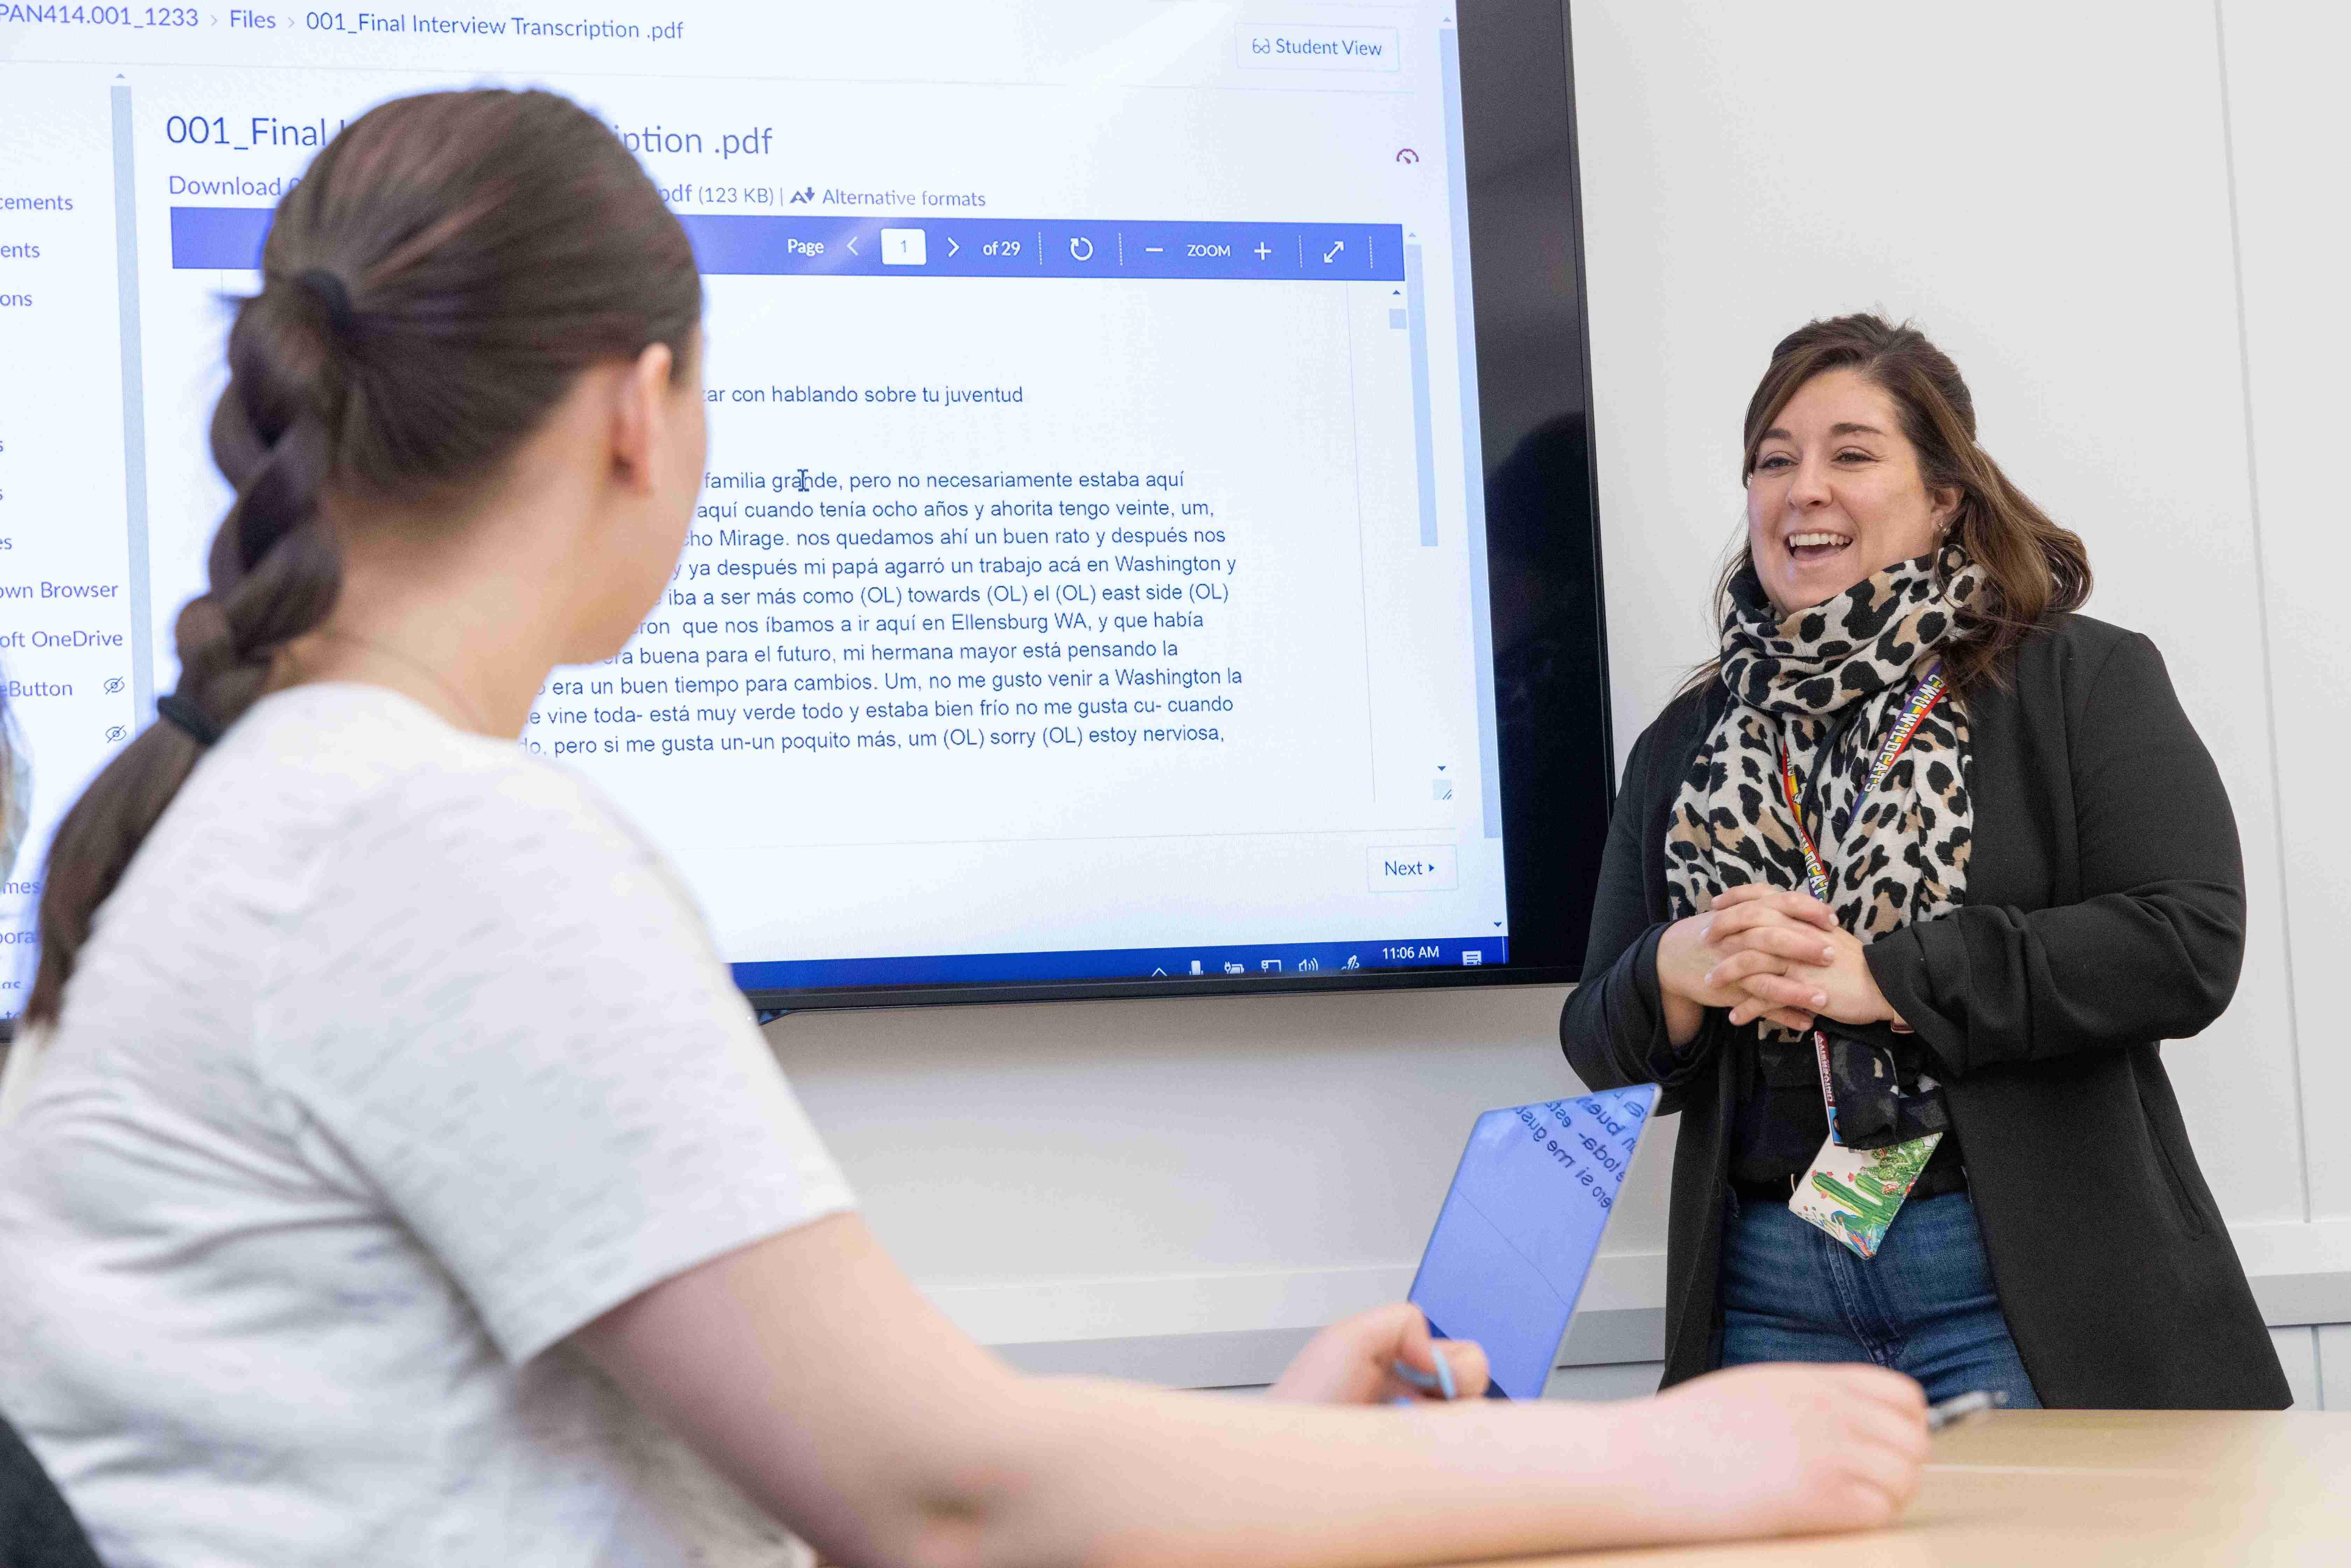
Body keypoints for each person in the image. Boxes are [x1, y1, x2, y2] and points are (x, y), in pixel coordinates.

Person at [0, 91, 1927, 1567]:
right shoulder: (433, 844)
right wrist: (1654, 1455)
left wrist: (1304, 1446)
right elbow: (941, 1503)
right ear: (637, 414)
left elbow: (880, 1457)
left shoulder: (262, 807)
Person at [1561, 313, 2289, 1411]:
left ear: (1945, 495)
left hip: (2013, 1280)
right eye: (1774, 459)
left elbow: (2188, 942)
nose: (1803, 489)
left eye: (1851, 453)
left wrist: (1892, 981)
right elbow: (1594, 1042)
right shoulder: (1684, 742)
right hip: (1764, 1288)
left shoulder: (2075, 680)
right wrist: (1674, 968)